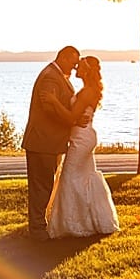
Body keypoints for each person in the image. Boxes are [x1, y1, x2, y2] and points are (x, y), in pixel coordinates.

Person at [47, 55, 120, 238]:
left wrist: (53, 101)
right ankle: (88, 220)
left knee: (69, 177)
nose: (75, 68)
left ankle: (73, 225)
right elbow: (75, 116)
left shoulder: (88, 92)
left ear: (86, 71)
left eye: (79, 66)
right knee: (81, 177)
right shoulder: (87, 90)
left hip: (82, 139)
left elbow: (72, 117)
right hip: (81, 136)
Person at [21, 46, 88, 241]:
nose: (75, 67)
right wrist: (73, 120)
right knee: (41, 186)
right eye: (73, 63)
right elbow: (49, 109)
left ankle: (40, 225)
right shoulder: (50, 77)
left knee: (45, 185)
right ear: (64, 58)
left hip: (49, 141)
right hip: (43, 141)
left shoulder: (56, 75)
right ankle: (37, 230)